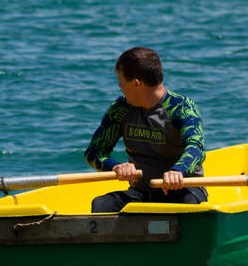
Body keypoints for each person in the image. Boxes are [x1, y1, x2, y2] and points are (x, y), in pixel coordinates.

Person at [85, 47, 207, 213]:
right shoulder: (121, 108)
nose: (120, 86)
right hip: (141, 192)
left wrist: (178, 171)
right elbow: (94, 151)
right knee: (101, 204)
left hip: (183, 190)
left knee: (188, 202)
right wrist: (115, 167)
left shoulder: (181, 107)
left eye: (121, 82)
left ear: (136, 84)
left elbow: (196, 148)